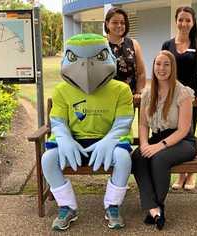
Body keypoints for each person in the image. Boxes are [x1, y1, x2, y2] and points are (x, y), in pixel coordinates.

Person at [41, 33, 134, 231]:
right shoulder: (61, 90)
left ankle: (113, 206)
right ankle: (67, 207)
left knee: (124, 158)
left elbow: (123, 122)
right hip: (75, 144)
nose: (85, 69)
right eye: (75, 59)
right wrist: (65, 138)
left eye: (98, 58)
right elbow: (57, 121)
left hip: (107, 142)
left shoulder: (121, 90)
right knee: (48, 159)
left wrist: (110, 140)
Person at [132, 50, 197, 230]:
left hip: (183, 142)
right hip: (157, 138)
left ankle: (156, 204)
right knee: (138, 156)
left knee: (159, 158)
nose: (161, 68)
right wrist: (145, 144)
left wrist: (159, 147)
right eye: (158, 64)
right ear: (153, 67)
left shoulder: (182, 92)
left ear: (172, 68)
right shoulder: (147, 93)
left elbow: (184, 129)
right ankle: (154, 208)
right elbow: (144, 125)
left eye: (166, 64)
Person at [161, 6, 197, 190]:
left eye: (188, 20)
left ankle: (192, 174)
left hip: (191, 98)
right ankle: (181, 175)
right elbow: (162, 69)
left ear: (193, 22)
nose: (184, 23)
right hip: (171, 98)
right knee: (175, 133)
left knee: (189, 134)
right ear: (176, 21)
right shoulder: (167, 45)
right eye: (181, 19)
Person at [104, 7, 146, 106]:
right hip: (106, 100)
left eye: (122, 23)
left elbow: (141, 73)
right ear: (107, 23)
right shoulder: (100, 45)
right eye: (115, 22)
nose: (119, 25)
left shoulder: (133, 44)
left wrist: (138, 93)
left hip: (128, 99)